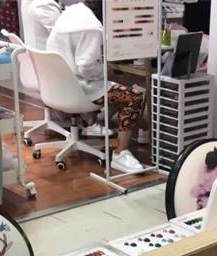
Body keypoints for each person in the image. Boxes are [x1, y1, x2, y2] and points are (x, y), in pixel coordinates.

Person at [47, 1, 146, 173]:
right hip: (79, 89)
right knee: (134, 96)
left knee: (113, 85)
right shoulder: (91, 26)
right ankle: (120, 153)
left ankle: (96, 122)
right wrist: (105, 69)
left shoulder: (71, 12)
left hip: (59, 85)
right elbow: (86, 67)